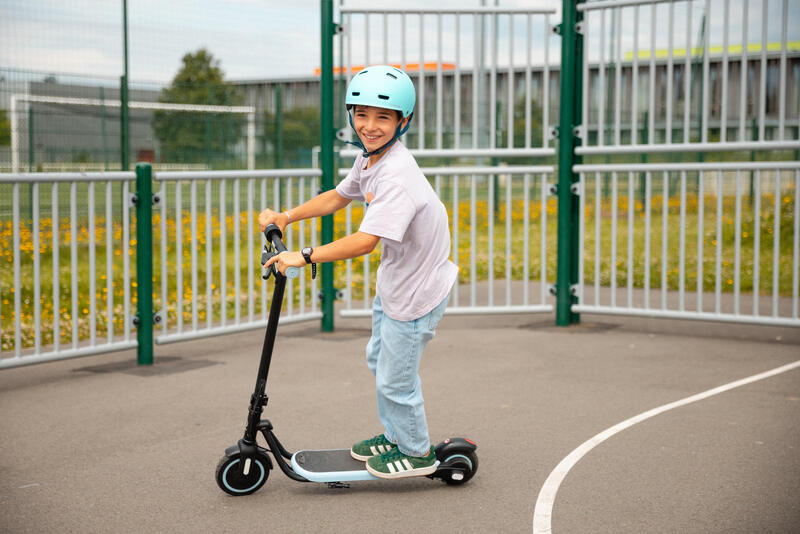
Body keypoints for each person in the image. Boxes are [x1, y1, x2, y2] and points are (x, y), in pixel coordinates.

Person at [259, 65, 458, 479]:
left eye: (383, 117)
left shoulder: (398, 177)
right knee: (380, 362)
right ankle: (397, 436)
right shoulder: (370, 159)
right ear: (351, 115)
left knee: (395, 379)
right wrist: (288, 216)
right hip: (396, 283)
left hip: (416, 292)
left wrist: (305, 256)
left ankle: (417, 452)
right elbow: (338, 196)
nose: (370, 126)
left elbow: (365, 241)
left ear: (403, 122)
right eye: (362, 114)